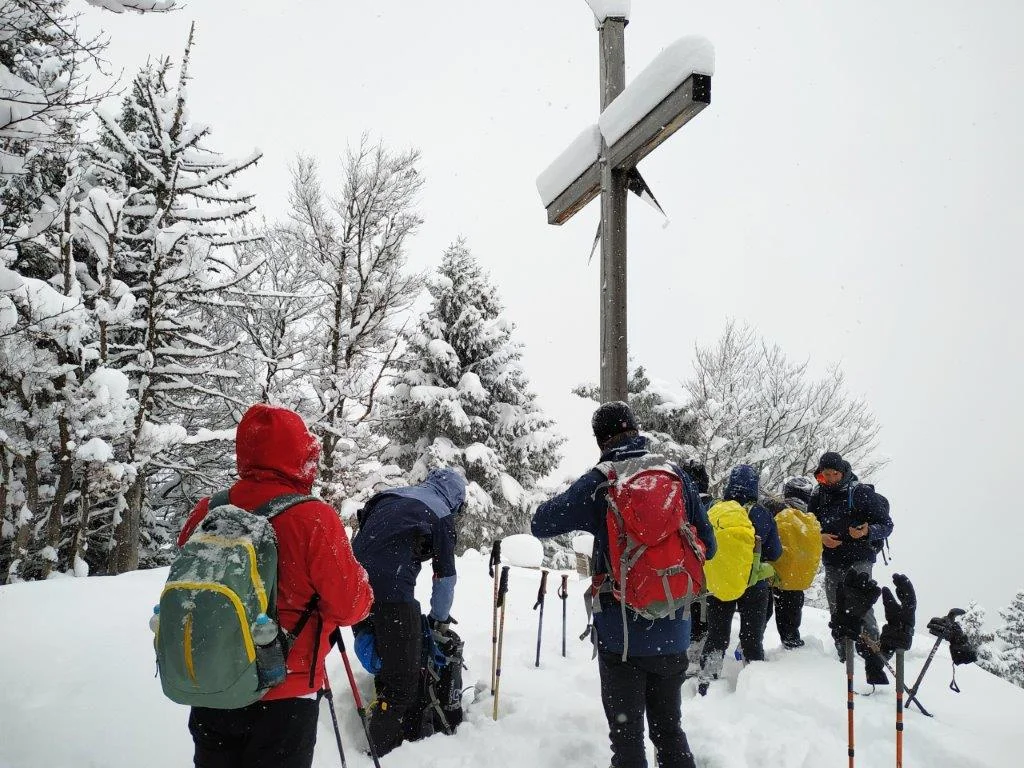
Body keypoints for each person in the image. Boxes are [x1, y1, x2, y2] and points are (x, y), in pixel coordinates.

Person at [177, 404, 374, 768]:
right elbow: (350, 606)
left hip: (214, 686)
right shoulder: (313, 517)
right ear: (301, 454)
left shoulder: (209, 509)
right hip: (285, 692)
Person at [531, 402, 716, 768]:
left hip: (622, 637)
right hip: (674, 629)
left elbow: (541, 523)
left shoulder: (601, 481)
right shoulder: (675, 475)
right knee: (669, 732)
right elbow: (708, 546)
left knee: (627, 741)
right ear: (636, 429)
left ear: (601, 440)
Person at [350, 468, 466, 757]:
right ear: (456, 500)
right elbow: (445, 578)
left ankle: (387, 722)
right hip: (391, 594)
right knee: (403, 684)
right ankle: (385, 753)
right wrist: (439, 620)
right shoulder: (440, 513)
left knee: (391, 663)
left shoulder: (388, 497)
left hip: (353, 587)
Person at [807, 451, 894, 685]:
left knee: (862, 606)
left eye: (835, 474)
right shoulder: (817, 495)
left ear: (843, 471)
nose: (831, 478)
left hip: (860, 558)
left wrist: (866, 531)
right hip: (832, 560)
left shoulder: (861, 493)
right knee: (837, 609)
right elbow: (809, 526)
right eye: (826, 475)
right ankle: (843, 656)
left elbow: (886, 525)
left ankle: (875, 658)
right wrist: (821, 536)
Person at [698, 465, 782, 688]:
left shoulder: (715, 509)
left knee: (716, 635)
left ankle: (707, 677)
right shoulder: (762, 513)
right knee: (752, 637)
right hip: (753, 584)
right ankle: (753, 685)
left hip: (720, 582)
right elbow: (775, 552)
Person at [766, 476, 815, 649]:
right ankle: (791, 643)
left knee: (762, 611)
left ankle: (750, 645)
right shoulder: (810, 516)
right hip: (794, 575)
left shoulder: (774, 508)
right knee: (791, 611)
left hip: (770, 568)